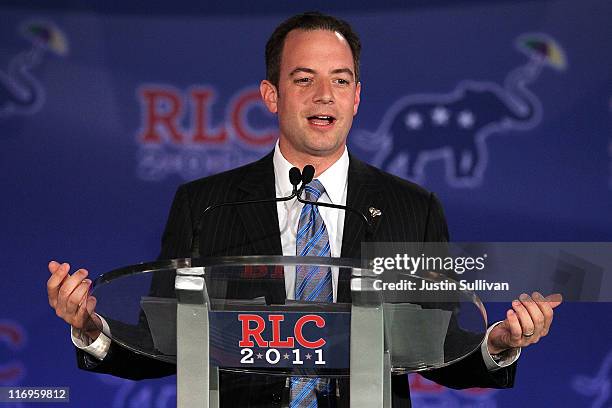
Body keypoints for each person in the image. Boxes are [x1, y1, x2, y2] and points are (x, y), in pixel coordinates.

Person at [47, 12, 562, 407]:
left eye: (340, 81)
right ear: (271, 95)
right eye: (303, 79)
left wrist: (499, 342)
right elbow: (166, 341)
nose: (324, 96)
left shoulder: (412, 208)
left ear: (357, 97)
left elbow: (441, 344)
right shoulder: (206, 205)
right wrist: (92, 328)